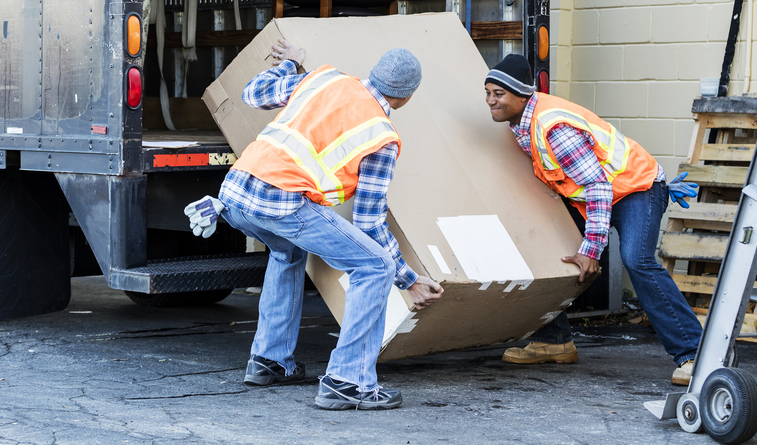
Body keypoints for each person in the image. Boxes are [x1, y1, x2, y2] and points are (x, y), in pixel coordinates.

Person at [186, 39, 443, 410]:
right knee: (376, 266)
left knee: (286, 249)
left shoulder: (323, 78)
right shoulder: (382, 135)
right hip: (280, 202)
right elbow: (369, 222)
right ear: (406, 97)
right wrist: (408, 278)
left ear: (373, 74)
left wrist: (290, 64)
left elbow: (252, 92)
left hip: (236, 191)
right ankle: (348, 382)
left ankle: (270, 361)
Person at [483, 53, 703, 386]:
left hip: (635, 190)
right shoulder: (522, 124)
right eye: (487, 93)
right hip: (597, 197)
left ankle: (695, 355)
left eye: (497, 94)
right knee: (541, 241)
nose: (490, 101)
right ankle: (553, 340)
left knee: (636, 259)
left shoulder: (552, 127)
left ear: (521, 94)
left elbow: (598, 186)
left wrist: (591, 247)